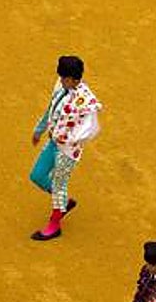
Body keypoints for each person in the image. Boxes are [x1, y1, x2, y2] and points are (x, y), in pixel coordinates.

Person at [29, 55, 103, 241]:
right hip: (54, 142)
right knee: (37, 176)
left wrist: (70, 139)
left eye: (64, 79)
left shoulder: (86, 101)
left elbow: (92, 128)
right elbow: (51, 108)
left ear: (75, 80)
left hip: (68, 150)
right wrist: (39, 129)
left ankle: (54, 225)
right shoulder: (62, 86)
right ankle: (63, 202)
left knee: (59, 184)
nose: (61, 81)